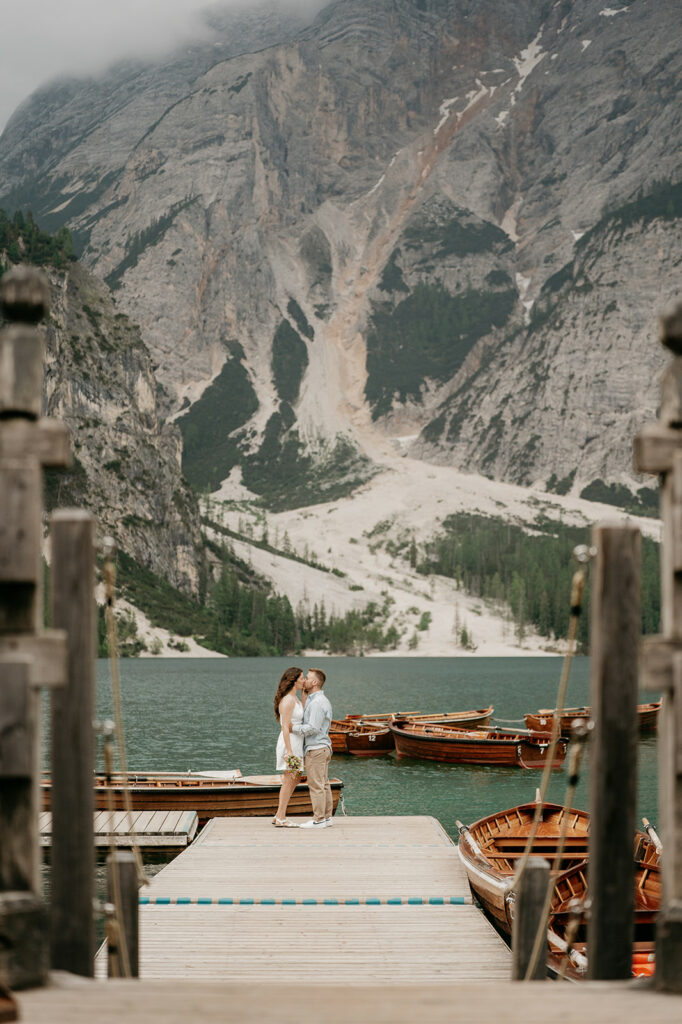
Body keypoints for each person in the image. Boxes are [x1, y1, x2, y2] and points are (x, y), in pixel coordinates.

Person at [291, 668, 333, 829]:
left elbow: (313, 728)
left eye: (307, 678)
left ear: (315, 682)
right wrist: (304, 695)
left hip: (316, 749)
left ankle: (319, 819)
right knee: (323, 784)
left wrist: (292, 728)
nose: (304, 681)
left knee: (316, 785)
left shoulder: (317, 703)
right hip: (323, 748)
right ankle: (327, 818)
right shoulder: (316, 700)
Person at [273, 666, 305, 827]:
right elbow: (284, 726)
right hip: (290, 742)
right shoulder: (288, 700)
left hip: (297, 742)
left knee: (296, 776)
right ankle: (281, 817)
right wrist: (290, 751)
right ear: (294, 680)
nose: (304, 680)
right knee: (289, 778)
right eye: (302, 677)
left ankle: (279, 814)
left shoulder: (296, 698)